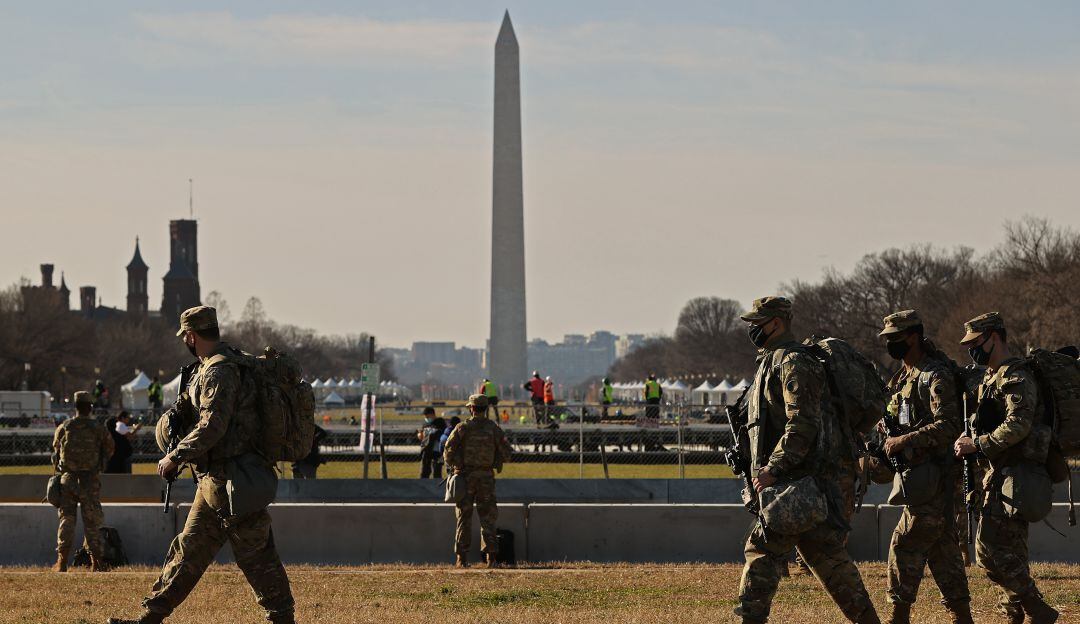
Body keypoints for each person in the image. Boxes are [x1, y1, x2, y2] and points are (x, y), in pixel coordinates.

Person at [108, 305, 295, 624]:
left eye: (185, 337)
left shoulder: (219, 370)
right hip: (216, 482)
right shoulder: (220, 364)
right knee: (188, 551)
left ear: (191, 336)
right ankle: (150, 617)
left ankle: (283, 619)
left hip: (237, 482)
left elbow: (213, 425)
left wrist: (175, 455)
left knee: (258, 558)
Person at [735, 296, 879, 624]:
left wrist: (775, 467)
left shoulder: (792, 362)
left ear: (776, 323)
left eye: (758, 323)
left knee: (762, 553)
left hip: (798, 484)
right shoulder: (776, 360)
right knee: (829, 559)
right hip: (809, 484)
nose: (753, 330)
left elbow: (803, 422)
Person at [954, 312, 1059, 624]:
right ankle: (1014, 612)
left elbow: (1018, 424)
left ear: (994, 337)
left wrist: (979, 444)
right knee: (1010, 550)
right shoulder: (992, 376)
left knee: (988, 549)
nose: (972, 350)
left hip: (1018, 474)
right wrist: (969, 436)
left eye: (976, 343)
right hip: (1001, 473)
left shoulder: (1015, 376)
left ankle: (1037, 610)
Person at [877, 310, 972, 624]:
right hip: (921, 478)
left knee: (904, 544)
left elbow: (949, 425)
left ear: (913, 337)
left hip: (937, 477)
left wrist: (905, 441)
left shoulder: (934, 375)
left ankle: (898, 615)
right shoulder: (904, 377)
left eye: (895, 338)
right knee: (943, 549)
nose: (890, 344)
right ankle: (962, 615)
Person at [443, 394, 512, 568]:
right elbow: (507, 453)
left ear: (471, 408)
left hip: (465, 478)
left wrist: (456, 465)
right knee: (487, 518)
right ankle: (491, 559)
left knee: (463, 518)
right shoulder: (493, 428)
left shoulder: (462, 428)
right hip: (486, 479)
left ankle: (462, 558)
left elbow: (448, 450)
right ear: (486, 408)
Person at [52, 390, 114, 572]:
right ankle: (97, 562)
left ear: (76, 407)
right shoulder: (98, 428)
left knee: (67, 520)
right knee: (92, 522)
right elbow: (110, 448)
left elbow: (55, 450)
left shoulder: (65, 426)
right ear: (90, 407)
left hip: (68, 479)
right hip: (90, 481)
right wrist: (100, 463)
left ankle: (62, 561)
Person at [418, 407, 442, 479]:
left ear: (432, 414)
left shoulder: (440, 422)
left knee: (437, 471)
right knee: (424, 471)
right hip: (427, 450)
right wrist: (420, 435)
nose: (426, 418)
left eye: (427, 416)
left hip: (437, 450)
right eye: (425, 417)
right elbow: (422, 434)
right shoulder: (425, 424)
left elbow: (441, 434)